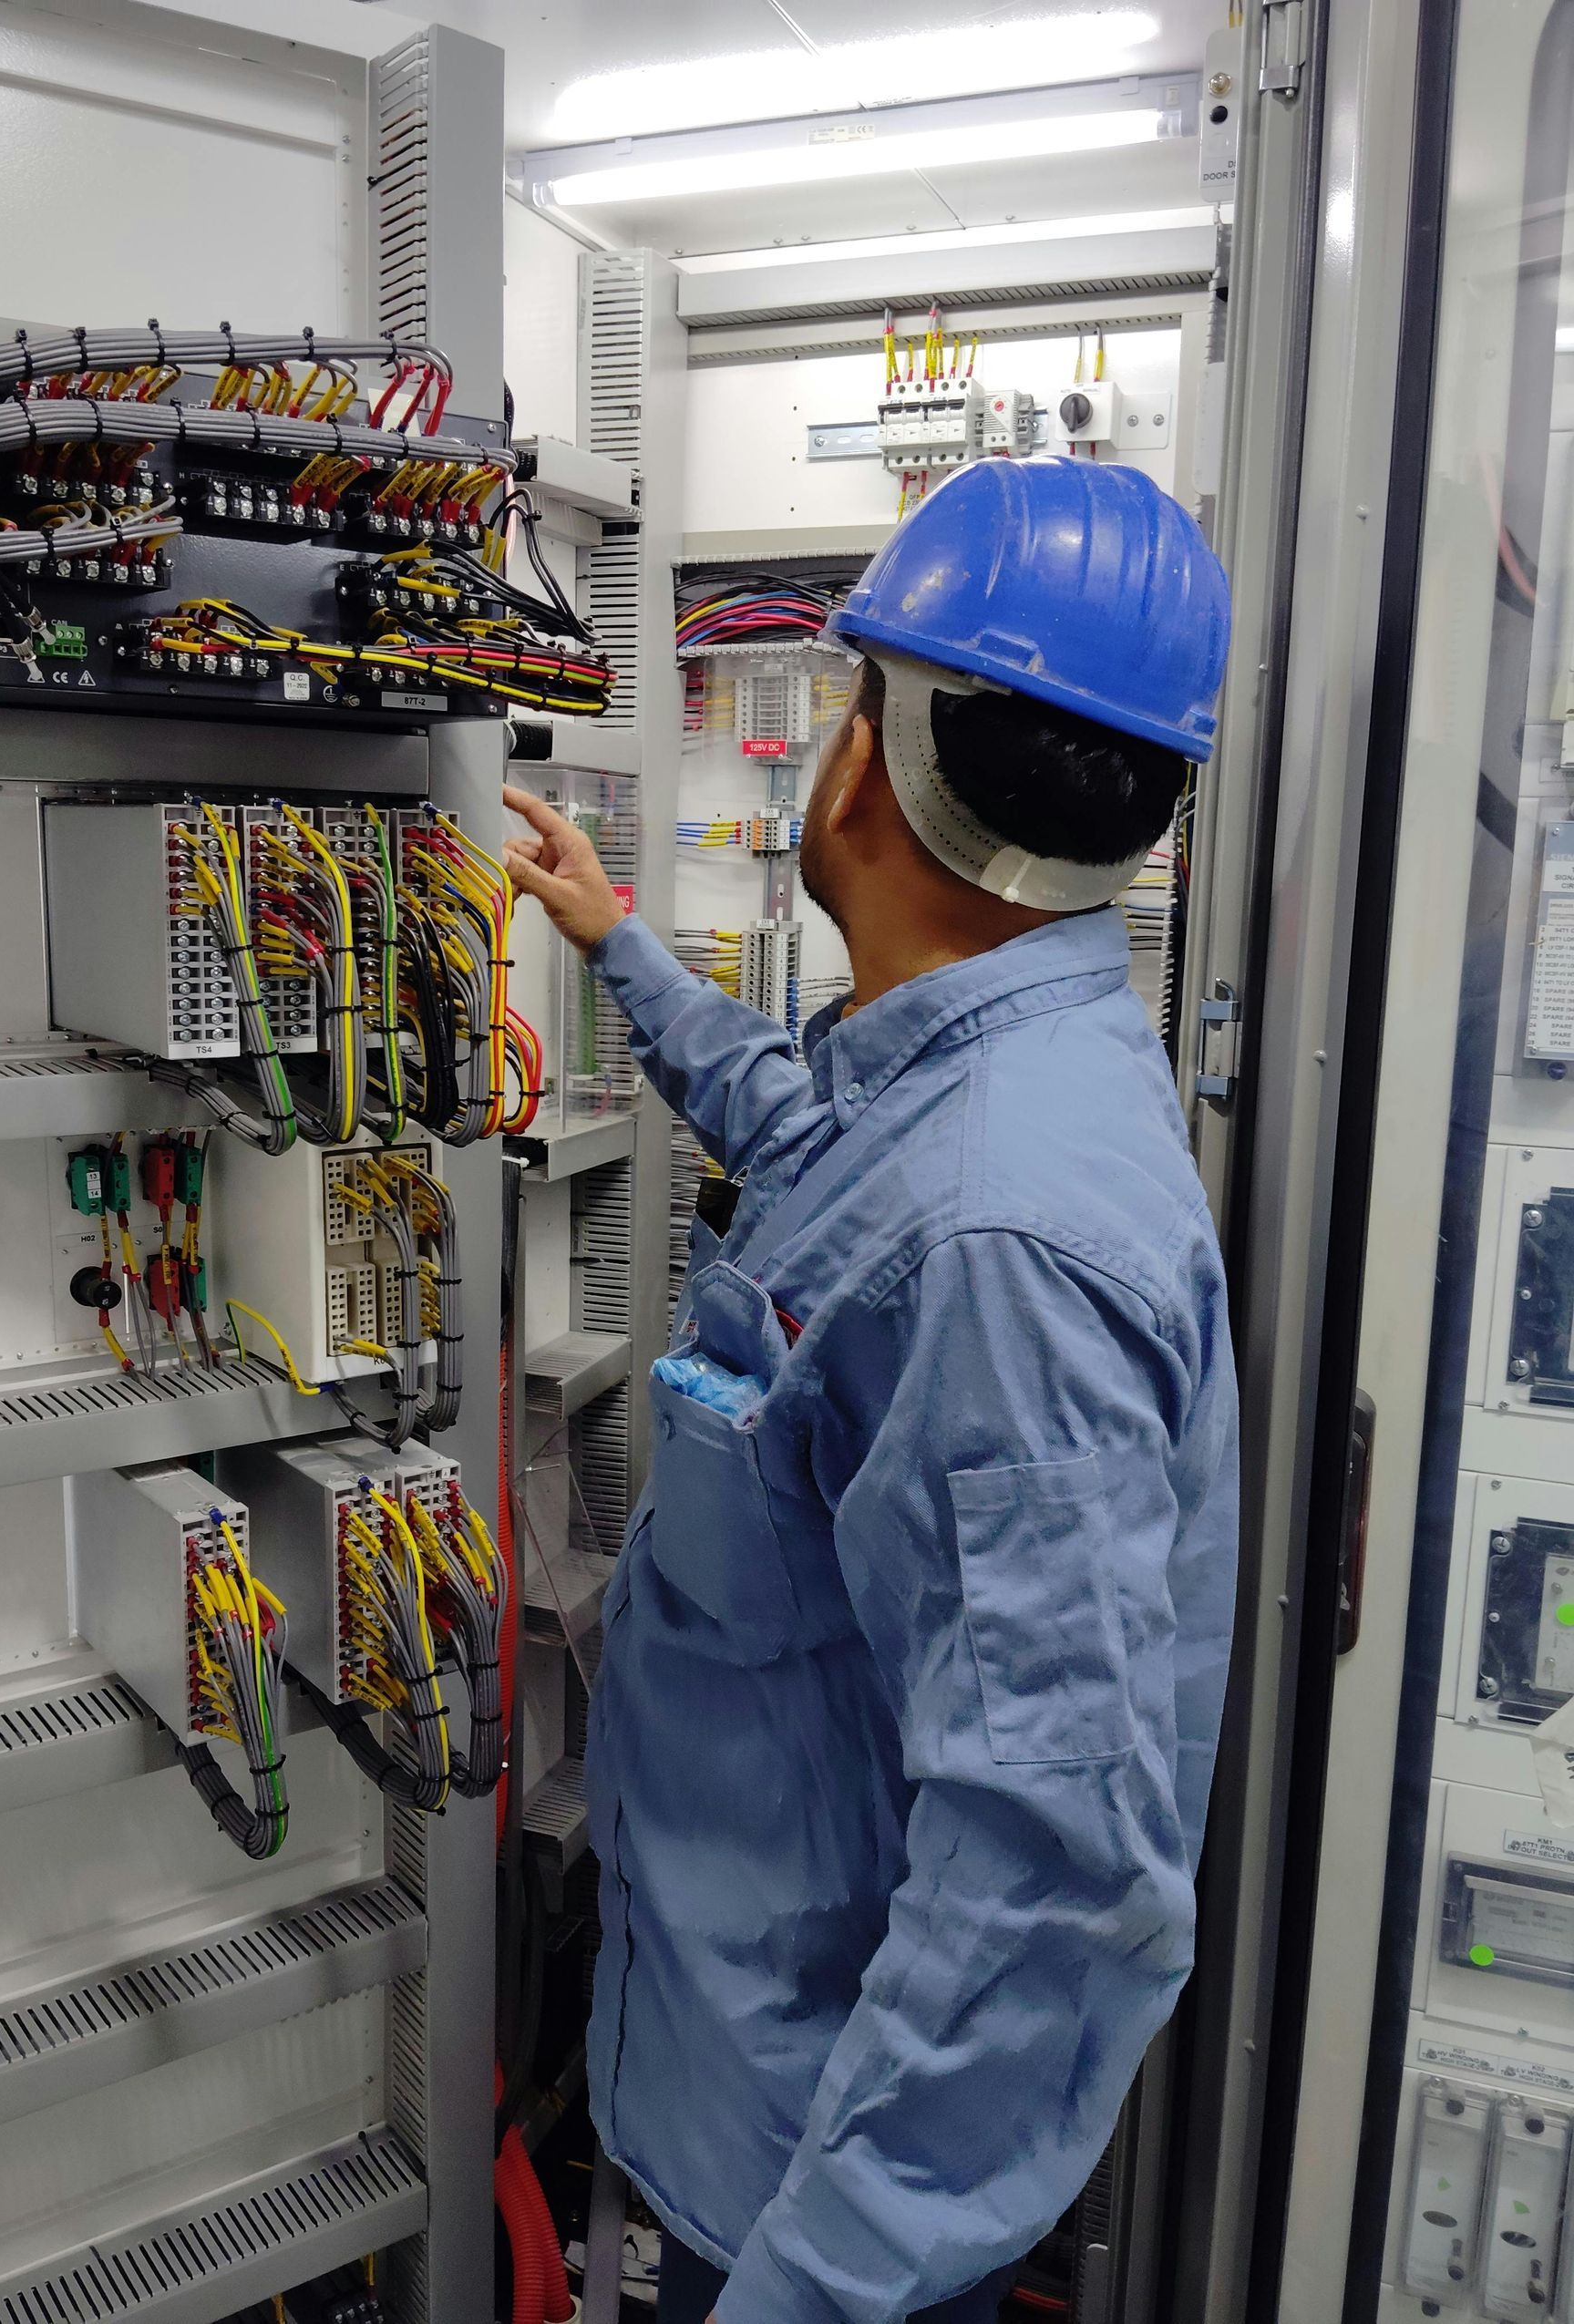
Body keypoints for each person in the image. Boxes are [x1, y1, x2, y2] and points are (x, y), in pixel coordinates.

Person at [502, 454, 1237, 2324]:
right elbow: (820, 1162)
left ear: (876, 759)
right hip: (724, 2079)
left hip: (793, 2200)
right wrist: (624, 952)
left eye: (850, 693)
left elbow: (1055, 1883)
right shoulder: (985, 1079)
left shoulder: (1003, 1237)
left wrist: (812, 2294)